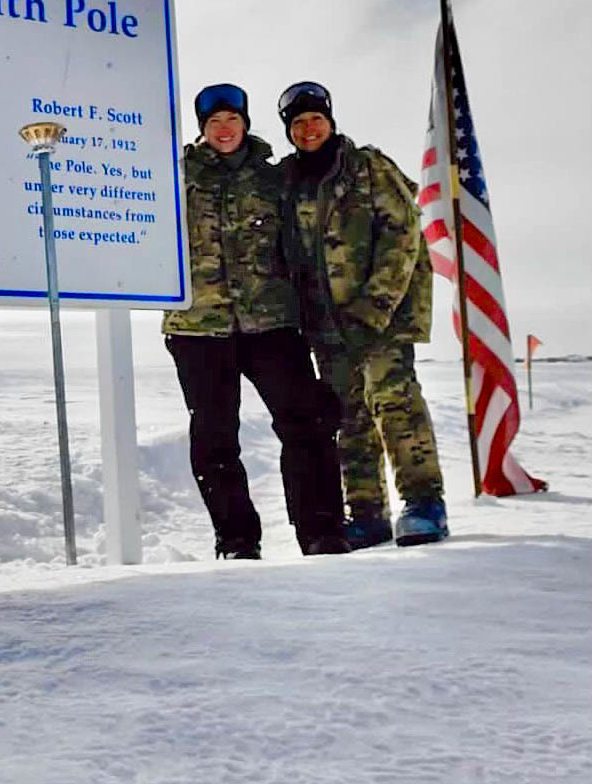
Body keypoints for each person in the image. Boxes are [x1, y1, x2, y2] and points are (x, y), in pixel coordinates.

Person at [163, 84, 350, 559]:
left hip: (273, 324)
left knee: (305, 423)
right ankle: (236, 539)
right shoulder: (175, 176)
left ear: (245, 123)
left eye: (232, 120)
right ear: (202, 130)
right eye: (213, 123)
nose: (224, 130)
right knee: (215, 435)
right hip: (198, 328)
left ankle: (322, 531)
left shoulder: (276, 178)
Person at [276, 81, 448, 548]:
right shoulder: (287, 180)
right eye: (298, 123)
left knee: (394, 402)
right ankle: (368, 512)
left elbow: (403, 234)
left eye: (316, 120)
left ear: (331, 122)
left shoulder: (367, 167)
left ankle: (424, 503)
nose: (309, 129)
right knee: (348, 416)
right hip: (325, 325)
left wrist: (376, 304)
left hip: (379, 317)